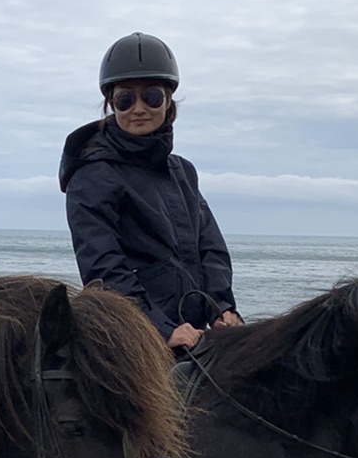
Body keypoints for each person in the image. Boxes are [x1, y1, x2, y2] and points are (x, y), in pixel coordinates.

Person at [58, 32, 242, 351]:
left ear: (168, 100)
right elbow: (103, 268)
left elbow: (210, 246)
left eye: (152, 97)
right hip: (138, 340)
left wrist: (222, 308)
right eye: (125, 99)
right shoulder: (92, 175)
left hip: (195, 334)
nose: (139, 108)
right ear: (111, 104)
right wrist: (161, 330)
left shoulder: (182, 171)